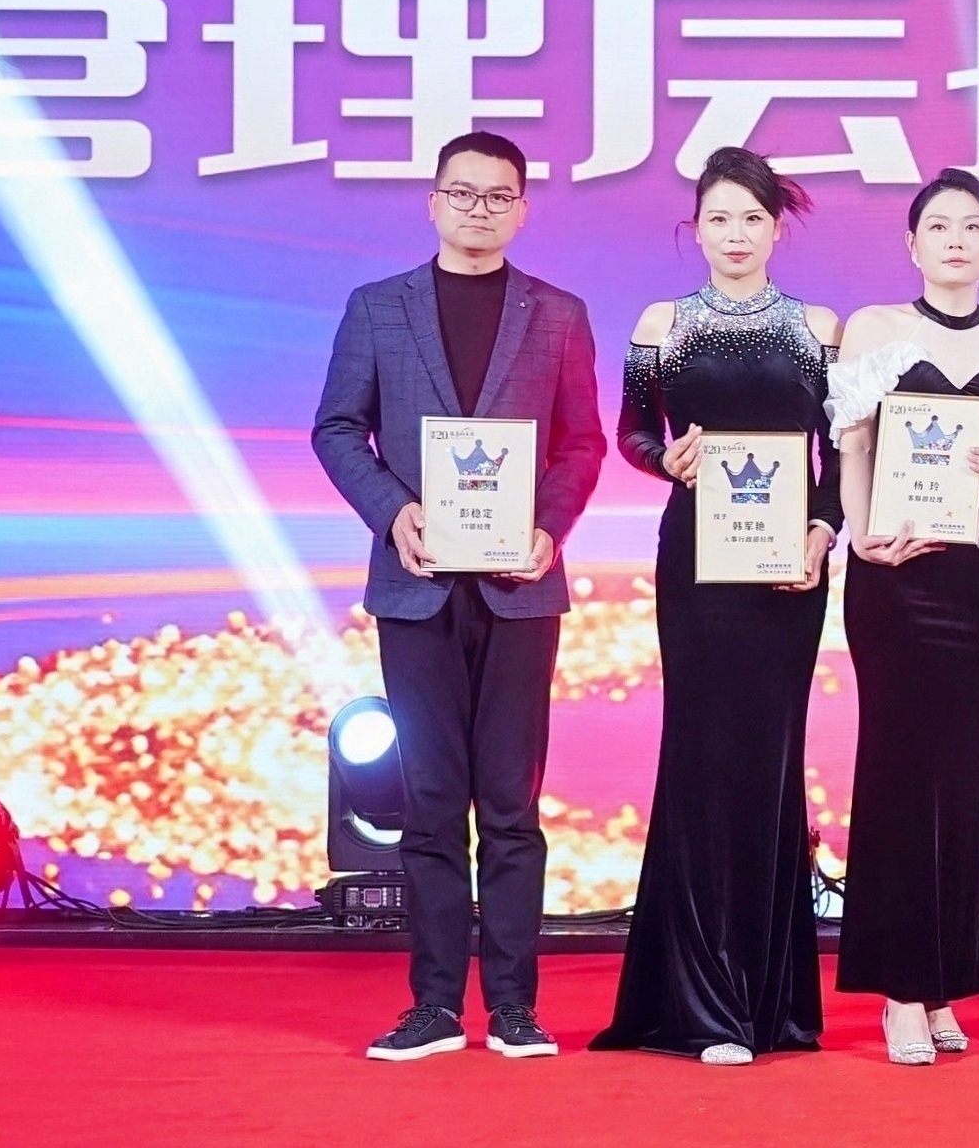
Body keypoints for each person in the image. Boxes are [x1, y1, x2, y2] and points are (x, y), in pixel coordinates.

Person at [314, 132, 608, 1063]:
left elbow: (582, 444)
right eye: (463, 193)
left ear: (522, 208)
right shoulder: (378, 307)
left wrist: (548, 528)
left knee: (512, 806)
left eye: (498, 196)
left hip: (521, 588)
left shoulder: (557, 313)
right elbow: (336, 428)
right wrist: (392, 512)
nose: (480, 209)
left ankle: (515, 1008)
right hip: (417, 586)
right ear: (434, 202)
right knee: (433, 802)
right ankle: (435, 1006)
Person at [593, 148, 843, 1067]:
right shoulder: (662, 324)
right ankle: (702, 1005)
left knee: (772, 763)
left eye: (752, 219)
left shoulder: (819, 329)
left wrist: (822, 534)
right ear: (694, 230)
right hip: (696, 563)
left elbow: (838, 459)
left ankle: (770, 1004)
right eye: (718, 219)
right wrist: (665, 460)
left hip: (787, 574)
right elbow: (632, 430)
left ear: (777, 228)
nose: (735, 235)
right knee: (700, 758)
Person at [826, 170, 979, 1066]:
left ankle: (946, 980)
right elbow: (853, 445)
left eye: (971, 226)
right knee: (899, 770)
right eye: (938, 226)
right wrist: (862, 537)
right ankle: (900, 988)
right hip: (894, 574)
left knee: (965, 771)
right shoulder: (875, 327)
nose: (955, 239)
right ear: (911, 243)